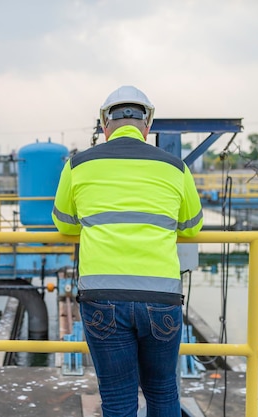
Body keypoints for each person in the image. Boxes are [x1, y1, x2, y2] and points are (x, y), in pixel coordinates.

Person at [51, 85, 203, 416]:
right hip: (160, 297)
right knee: (163, 390)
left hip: (102, 297)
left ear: (105, 123)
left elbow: (64, 224)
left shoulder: (79, 165)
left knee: (118, 398)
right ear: (147, 124)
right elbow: (192, 225)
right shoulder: (175, 167)